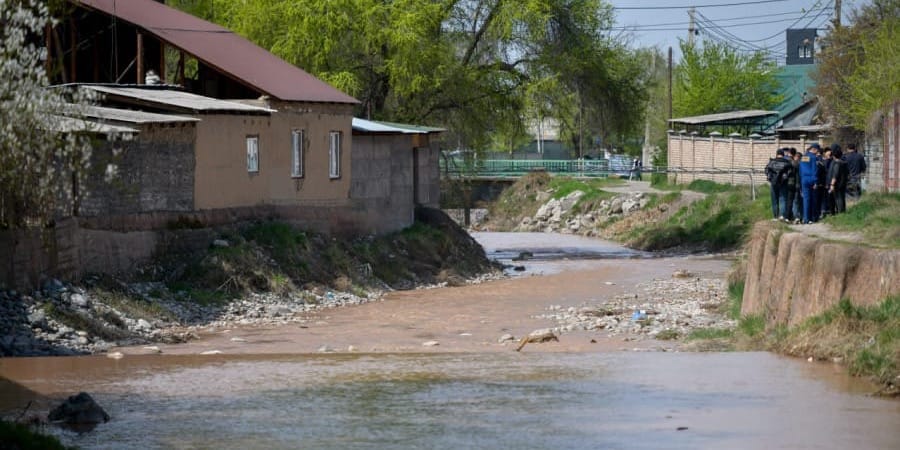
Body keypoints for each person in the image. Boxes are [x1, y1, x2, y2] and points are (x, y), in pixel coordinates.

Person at [764, 148, 792, 220]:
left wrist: (770, 178)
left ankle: (775, 217)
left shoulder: (772, 162)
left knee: (774, 200)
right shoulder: (787, 162)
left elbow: (766, 170)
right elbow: (790, 172)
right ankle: (782, 216)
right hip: (783, 183)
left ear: (776, 154)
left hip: (774, 183)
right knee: (783, 199)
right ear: (783, 154)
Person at [798, 143, 820, 224]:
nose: (817, 152)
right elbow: (815, 170)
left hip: (804, 179)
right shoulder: (813, 157)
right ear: (814, 149)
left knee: (806, 199)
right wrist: (815, 182)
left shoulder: (803, 157)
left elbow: (800, 170)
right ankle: (812, 218)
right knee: (813, 199)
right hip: (811, 179)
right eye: (817, 150)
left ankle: (806, 218)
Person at [827, 148, 849, 214]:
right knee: (841, 198)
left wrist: (832, 184)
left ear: (834, 156)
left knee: (838, 199)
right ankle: (842, 212)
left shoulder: (837, 164)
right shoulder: (844, 163)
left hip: (837, 184)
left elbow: (835, 175)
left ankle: (840, 212)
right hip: (842, 183)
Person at [785, 148, 800, 223]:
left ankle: (787, 217)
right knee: (794, 200)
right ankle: (795, 216)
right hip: (794, 183)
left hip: (785, 183)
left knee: (788, 200)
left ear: (789, 153)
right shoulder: (796, 163)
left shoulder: (786, 161)